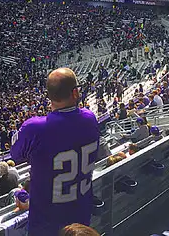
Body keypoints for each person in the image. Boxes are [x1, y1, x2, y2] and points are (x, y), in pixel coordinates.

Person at [11, 68, 100, 236]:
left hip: (45, 223)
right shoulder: (90, 118)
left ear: (49, 96)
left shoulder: (34, 127)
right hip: (81, 218)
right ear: (75, 92)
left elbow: (16, 155)